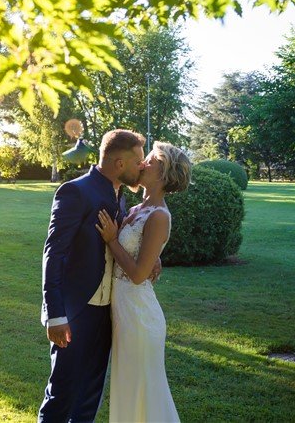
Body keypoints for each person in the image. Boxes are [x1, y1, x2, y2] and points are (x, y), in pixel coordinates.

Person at [39, 129, 150, 423]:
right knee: (61, 397)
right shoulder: (75, 191)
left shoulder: (121, 198)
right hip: (75, 313)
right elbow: (54, 254)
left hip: (108, 313)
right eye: (138, 160)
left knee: (90, 398)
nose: (143, 166)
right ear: (118, 163)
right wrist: (56, 315)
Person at [95, 141, 192, 423]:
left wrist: (113, 240)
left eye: (149, 161)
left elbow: (138, 275)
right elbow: (141, 255)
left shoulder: (159, 215)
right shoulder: (138, 207)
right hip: (123, 311)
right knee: (127, 387)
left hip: (139, 317)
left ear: (163, 174)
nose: (142, 164)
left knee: (143, 389)